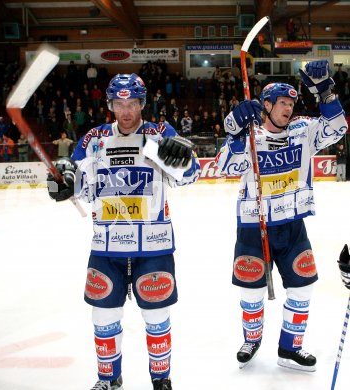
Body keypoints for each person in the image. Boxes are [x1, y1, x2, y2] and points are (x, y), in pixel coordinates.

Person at [47, 73, 200, 390]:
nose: (126, 111)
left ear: (141, 103)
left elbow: (190, 175)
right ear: (110, 105)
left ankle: (161, 379)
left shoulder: (159, 133)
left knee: (156, 317)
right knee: (103, 319)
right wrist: (62, 183)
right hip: (106, 249)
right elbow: (77, 183)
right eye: (119, 104)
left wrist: (182, 160)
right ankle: (108, 379)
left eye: (132, 104)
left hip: (154, 248)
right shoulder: (95, 139)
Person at [215, 60, 348, 372]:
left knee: (303, 287)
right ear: (267, 105)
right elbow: (224, 166)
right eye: (283, 103)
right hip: (253, 226)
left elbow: (339, 126)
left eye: (291, 103)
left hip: (292, 226)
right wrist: (234, 131)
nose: (288, 108)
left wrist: (326, 92)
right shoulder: (251, 136)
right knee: (251, 290)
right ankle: (252, 339)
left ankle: (290, 348)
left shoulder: (304, 131)